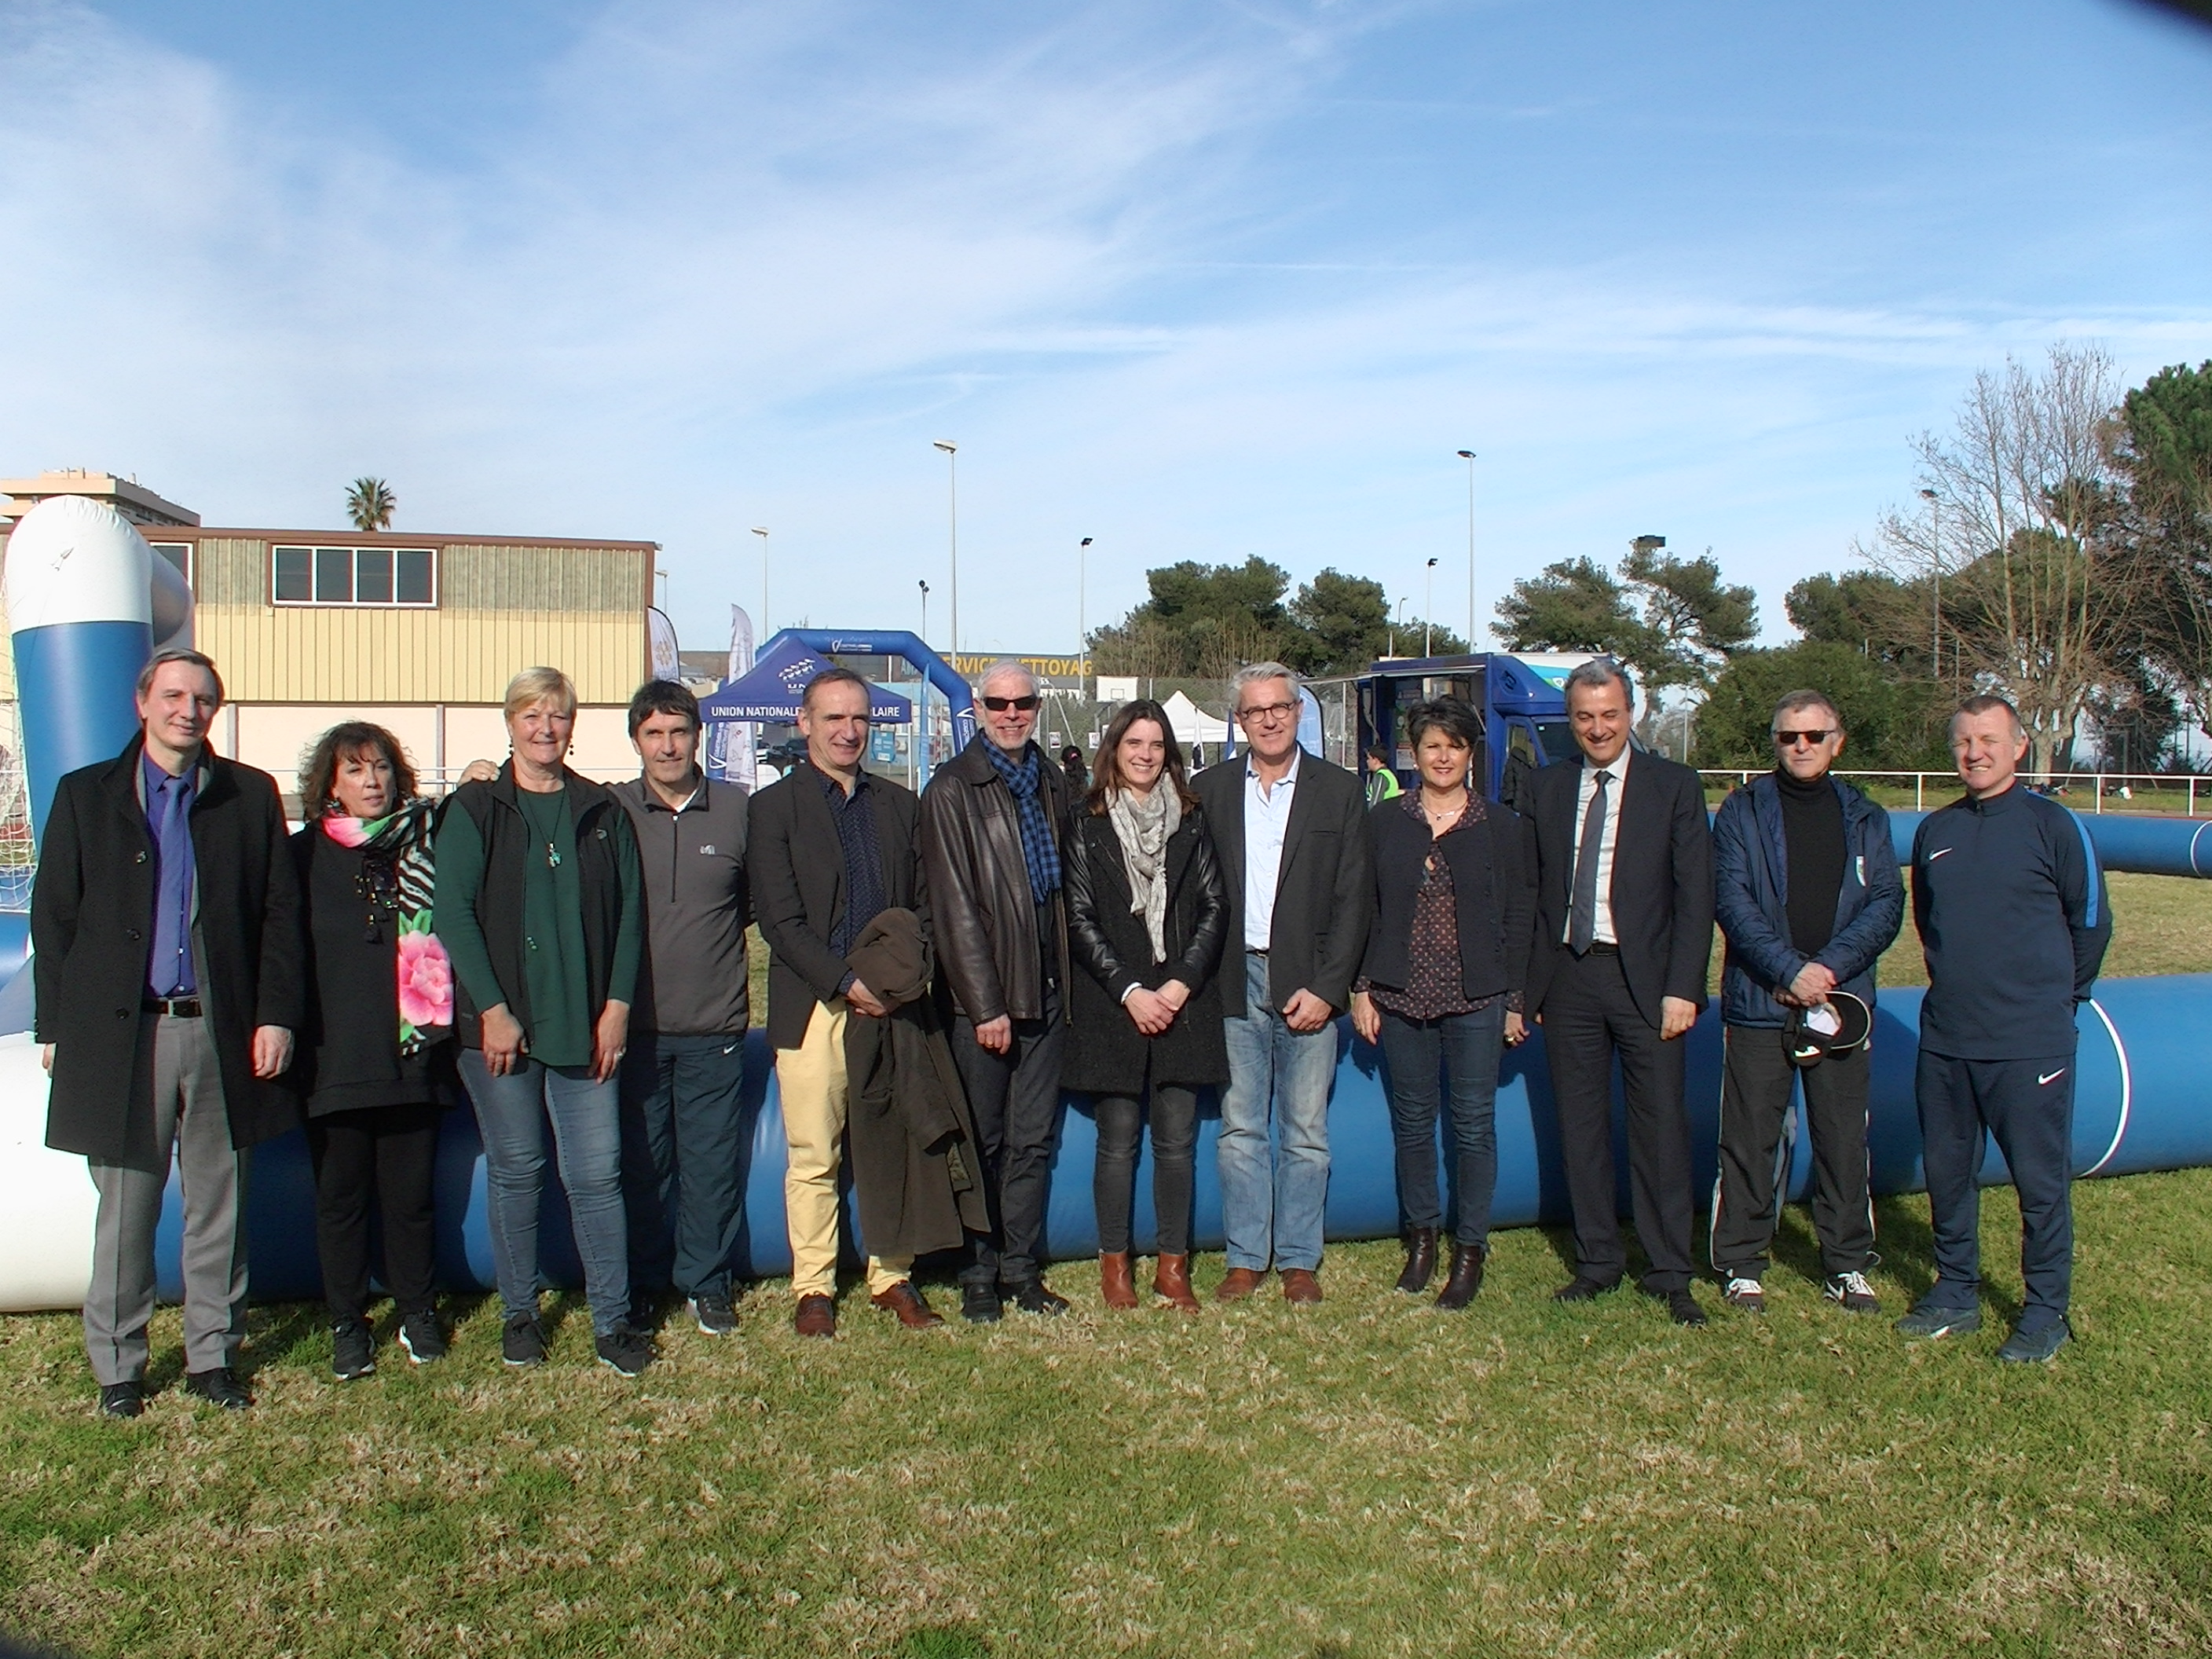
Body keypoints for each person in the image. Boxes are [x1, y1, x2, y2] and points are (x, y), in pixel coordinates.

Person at [33, 648, 304, 1417]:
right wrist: (54, 1025)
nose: (189, 709)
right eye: (176, 695)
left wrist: (275, 1014)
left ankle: (212, 1356)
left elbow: (278, 917)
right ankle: (119, 1366)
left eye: (204, 699)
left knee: (220, 1204)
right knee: (127, 1207)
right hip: (125, 1037)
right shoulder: (87, 796)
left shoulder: (247, 797)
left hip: (219, 1031)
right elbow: (54, 919)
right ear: (143, 701)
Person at [435, 667, 653, 1376]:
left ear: (572, 725)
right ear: (509, 723)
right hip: (501, 1033)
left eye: (557, 716)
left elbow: (629, 920)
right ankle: (521, 1314)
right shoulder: (476, 809)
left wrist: (617, 1007)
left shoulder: (601, 811)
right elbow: (453, 917)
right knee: (518, 1170)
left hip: (587, 1027)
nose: (544, 729)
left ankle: (614, 1320)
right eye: (531, 716)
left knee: (596, 1176)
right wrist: (493, 1012)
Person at [1898, 695, 2109, 1363]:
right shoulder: (1936, 830)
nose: (1974, 753)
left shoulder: (2055, 825)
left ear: (2018, 746)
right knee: (1947, 1174)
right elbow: (1930, 926)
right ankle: (1955, 1291)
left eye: (1988, 740)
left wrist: (2054, 1001)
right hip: (1949, 1039)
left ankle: (2046, 1311)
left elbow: (2092, 923)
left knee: (2039, 1184)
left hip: (2029, 1041)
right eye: (1963, 742)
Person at [750, 668, 943, 1336]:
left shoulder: (898, 806)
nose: (847, 731)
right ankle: (814, 1287)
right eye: (833, 718)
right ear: (804, 724)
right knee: (814, 1155)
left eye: (859, 718)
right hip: (815, 1007)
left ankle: (892, 1274)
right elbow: (780, 921)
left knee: (890, 1143)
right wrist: (846, 984)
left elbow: (920, 905)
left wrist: (895, 983)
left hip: (889, 1006)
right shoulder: (772, 810)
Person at [1524, 658, 1715, 1326]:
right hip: (1570, 976)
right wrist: (1530, 990)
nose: (1598, 728)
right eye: (1584, 716)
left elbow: (1697, 897)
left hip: (1648, 981)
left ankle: (1669, 1271)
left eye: (1609, 714)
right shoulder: (1547, 789)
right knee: (1580, 1128)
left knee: (1660, 1126)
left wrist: (1684, 988)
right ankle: (1598, 1260)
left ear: (1630, 714)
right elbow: (1534, 896)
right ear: (1569, 720)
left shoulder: (1674, 786)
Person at [1709, 690, 1903, 1316]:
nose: (1801, 746)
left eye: (1813, 736)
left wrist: (1826, 970)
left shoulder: (1867, 817)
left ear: (1836, 742)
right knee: (1750, 1137)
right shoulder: (1741, 811)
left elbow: (1886, 906)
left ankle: (1846, 1263)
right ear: (1775, 743)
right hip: (1762, 1000)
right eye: (1789, 737)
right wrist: (1790, 969)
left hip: (1840, 1002)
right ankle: (1742, 1262)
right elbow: (1732, 902)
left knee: (1844, 1137)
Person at [288, 722, 463, 1381]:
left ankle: (417, 1311)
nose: (372, 781)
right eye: (356, 770)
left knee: (411, 1196)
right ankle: (346, 1321)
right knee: (341, 1197)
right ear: (330, 784)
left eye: (383, 768)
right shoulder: (301, 856)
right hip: (333, 1056)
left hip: (412, 1051)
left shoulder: (424, 842)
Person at [1194, 662, 1373, 1304]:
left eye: (1280, 708)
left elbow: (1356, 898)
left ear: (1299, 713)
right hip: (1233, 976)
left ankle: (1298, 1259)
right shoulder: (1208, 790)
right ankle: (1245, 1258)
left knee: (1304, 1129)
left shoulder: (1340, 791)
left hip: (1308, 979)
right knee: (1241, 1126)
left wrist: (1330, 987)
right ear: (1238, 721)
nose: (1268, 720)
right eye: (1254, 711)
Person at [1351, 697, 1535, 1309]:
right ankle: (1422, 1238)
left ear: (1470, 754)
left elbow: (1518, 916)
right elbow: (1364, 910)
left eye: (1454, 746)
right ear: (1415, 752)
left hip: (1477, 995)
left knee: (1473, 1126)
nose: (1443, 756)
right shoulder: (1384, 822)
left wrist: (1515, 1001)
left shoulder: (1501, 827)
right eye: (1432, 745)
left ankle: (1470, 1249)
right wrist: (1361, 988)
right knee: (1412, 1123)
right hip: (1400, 993)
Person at [921, 660, 1077, 1320]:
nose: (1012, 713)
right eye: (998, 703)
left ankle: (1020, 1268)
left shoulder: (1053, 783)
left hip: (1046, 994)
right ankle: (977, 1270)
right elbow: (954, 909)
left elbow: (1067, 892)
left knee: (1032, 1140)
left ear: (1037, 708)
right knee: (982, 1141)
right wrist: (985, 1006)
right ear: (978, 709)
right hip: (985, 1005)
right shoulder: (954, 789)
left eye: (1024, 703)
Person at [1062, 699, 1230, 1313]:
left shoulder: (1191, 818)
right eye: (1135, 743)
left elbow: (1215, 907)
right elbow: (1078, 919)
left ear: (1170, 754)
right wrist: (1131, 991)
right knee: (1118, 1140)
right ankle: (1115, 1267)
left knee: (1178, 1142)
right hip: (1116, 1005)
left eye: (1156, 745)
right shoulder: (1086, 822)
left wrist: (1181, 982)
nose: (1145, 755)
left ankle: (1172, 1266)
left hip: (1183, 1003)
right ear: (1115, 749)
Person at [612, 680, 753, 1339]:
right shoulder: (609, 812)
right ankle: (645, 1283)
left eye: (679, 732)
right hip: (634, 1029)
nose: (667, 746)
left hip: (714, 1026)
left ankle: (706, 1282)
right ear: (636, 741)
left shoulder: (737, 810)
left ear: (698, 737)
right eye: (654, 734)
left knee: (711, 1164)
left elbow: (751, 904)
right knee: (643, 1164)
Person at [1364, 743, 1404, 808]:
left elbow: (1376, 802)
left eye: (1369, 758)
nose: (1367, 761)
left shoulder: (1381, 776)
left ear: (1375, 761)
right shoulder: (1388, 774)